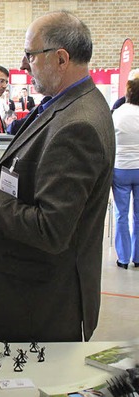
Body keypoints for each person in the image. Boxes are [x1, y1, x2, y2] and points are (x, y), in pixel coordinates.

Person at [0, 11, 114, 342]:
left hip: (38, 303)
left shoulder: (77, 124)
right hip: (29, 293)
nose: (23, 66)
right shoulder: (65, 104)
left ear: (61, 59)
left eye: (30, 55)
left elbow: (50, 230)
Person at [111, 77, 139, 269]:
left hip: (120, 167)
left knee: (121, 214)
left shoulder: (118, 113)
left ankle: (123, 258)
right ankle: (138, 258)